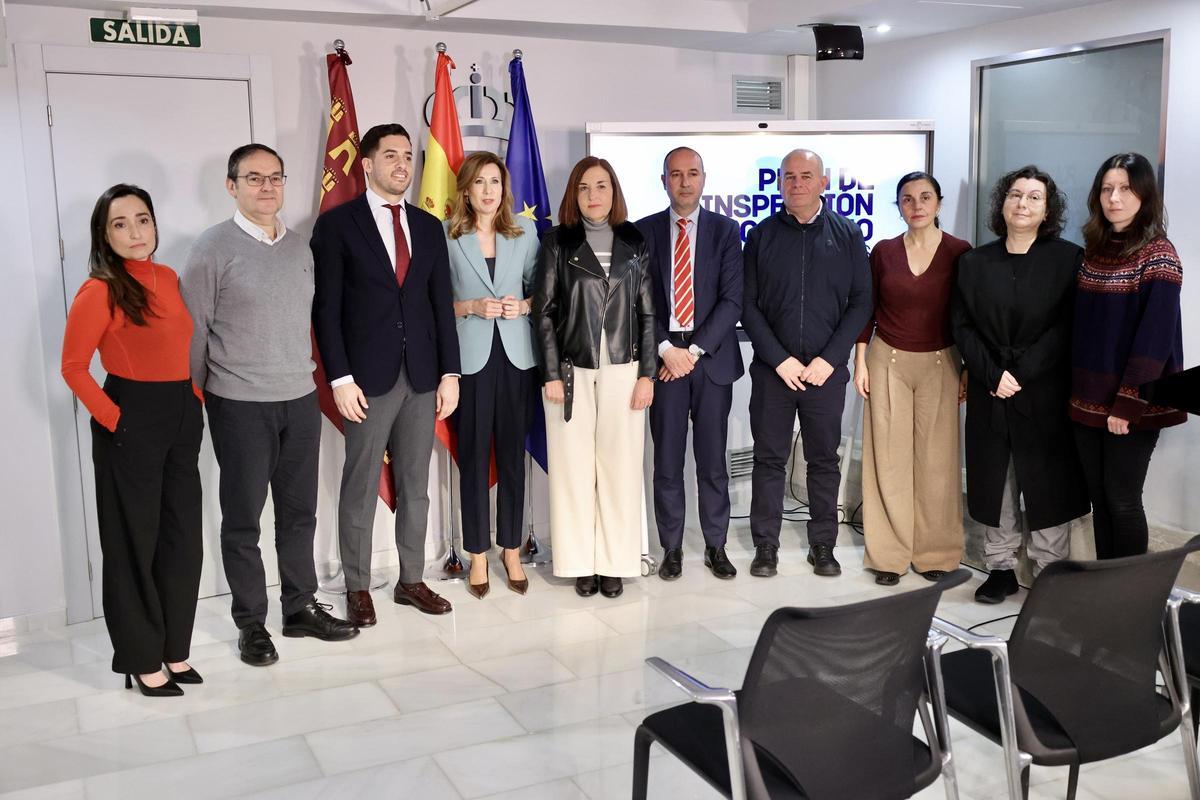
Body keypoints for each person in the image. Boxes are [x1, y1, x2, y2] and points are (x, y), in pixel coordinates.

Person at [182, 143, 358, 667]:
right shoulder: (211, 249)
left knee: (300, 513)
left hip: (299, 398)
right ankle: (252, 624)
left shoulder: (301, 248)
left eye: (275, 177)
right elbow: (194, 332)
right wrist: (196, 397)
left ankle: (300, 606)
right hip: (239, 404)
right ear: (232, 186)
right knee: (242, 520)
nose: (267, 187)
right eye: (254, 178)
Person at [311, 123, 461, 624]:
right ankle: (356, 586)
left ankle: (411, 580)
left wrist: (450, 373)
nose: (402, 164)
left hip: (422, 376)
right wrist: (340, 379)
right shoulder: (336, 226)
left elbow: (440, 304)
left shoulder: (426, 225)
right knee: (358, 486)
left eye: (408, 156)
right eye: (390, 155)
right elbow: (326, 310)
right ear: (367, 164)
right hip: (365, 381)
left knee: (416, 484)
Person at [62, 184, 204, 696]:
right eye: (120, 223)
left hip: (182, 416)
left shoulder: (168, 278)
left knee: (181, 539)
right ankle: (141, 659)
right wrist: (116, 420)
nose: (135, 232)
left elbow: (182, 345)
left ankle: (173, 650)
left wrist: (194, 399)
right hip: (130, 419)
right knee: (132, 544)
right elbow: (73, 368)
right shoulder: (98, 289)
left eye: (142, 219)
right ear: (104, 234)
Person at [951, 165, 1090, 604]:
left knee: (1048, 480)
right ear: (1002, 204)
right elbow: (961, 325)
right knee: (997, 480)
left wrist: (1022, 373)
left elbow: (1066, 326)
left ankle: (1051, 569)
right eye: (1015, 195)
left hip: (1044, 389)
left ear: (1048, 210)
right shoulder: (974, 263)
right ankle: (1001, 567)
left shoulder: (1069, 260)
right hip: (990, 389)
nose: (1022, 204)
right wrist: (993, 374)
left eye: (1034, 197)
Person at [742, 149, 872, 579]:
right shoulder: (761, 236)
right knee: (769, 459)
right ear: (780, 182)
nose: (796, 183)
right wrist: (779, 360)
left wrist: (829, 361)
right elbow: (748, 305)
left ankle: (823, 545)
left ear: (823, 182)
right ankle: (765, 545)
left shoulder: (849, 234)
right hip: (773, 373)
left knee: (822, 461)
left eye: (806, 176)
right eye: (789, 176)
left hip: (824, 375)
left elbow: (861, 302)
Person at [533, 156, 656, 599]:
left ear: (613, 191)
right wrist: (549, 372)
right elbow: (543, 312)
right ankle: (580, 562)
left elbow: (647, 312)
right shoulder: (556, 243)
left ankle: (615, 562)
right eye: (584, 187)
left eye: (601, 186)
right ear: (574, 194)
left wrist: (647, 376)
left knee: (620, 466)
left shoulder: (635, 241)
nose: (593, 195)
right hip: (570, 369)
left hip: (624, 367)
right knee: (573, 469)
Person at [854, 172, 971, 586]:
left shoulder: (960, 252)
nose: (916, 205)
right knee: (888, 460)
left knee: (937, 463)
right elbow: (866, 308)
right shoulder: (883, 252)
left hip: (942, 362)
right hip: (887, 360)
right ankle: (888, 555)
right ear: (899, 207)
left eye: (925, 197)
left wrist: (969, 368)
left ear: (939, 203)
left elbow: (968, 315)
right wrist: (861, 359)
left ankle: (935, 552)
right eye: (907, 199)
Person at [635, 147, 743, 581]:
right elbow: (638, 303)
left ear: (704, 178)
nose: (684, 182)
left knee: (713, 462)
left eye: (692, 173)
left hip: (710, 360)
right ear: (663, 181)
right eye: (675, 174)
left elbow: (732, 300)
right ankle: (672, 548)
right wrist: (665, 348)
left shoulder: (726, 231)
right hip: (664, 362)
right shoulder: (642, 233)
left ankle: (716, 546)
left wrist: (693, 351)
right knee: (667, 463)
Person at [1071, 153, 1185, 558]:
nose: (1114, 198)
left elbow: (1154, 340)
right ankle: (1107, 593)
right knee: (1099, 500)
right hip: (1086, 398)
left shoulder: (1158, 255)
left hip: (1130, 403)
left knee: (1122, 500)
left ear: (1144, 194)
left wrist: (1127, 402)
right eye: (1107, 188)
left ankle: (1131, 599)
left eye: (1125, 188)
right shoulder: (1093, 251)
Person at [445, 152, 539, 598]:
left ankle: (511, 549)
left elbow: (547, 292)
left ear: (505, 190)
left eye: (495, 183)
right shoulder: (448, 237)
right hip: (470, 361)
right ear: (466, 189)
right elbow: (433, 304)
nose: (488, 191)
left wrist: (524, 305)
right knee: (474, 459)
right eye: (480, 183)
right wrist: (469, 307)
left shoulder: (524, 233)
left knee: (512, 459)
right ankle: (478, 553)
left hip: (517, 357)